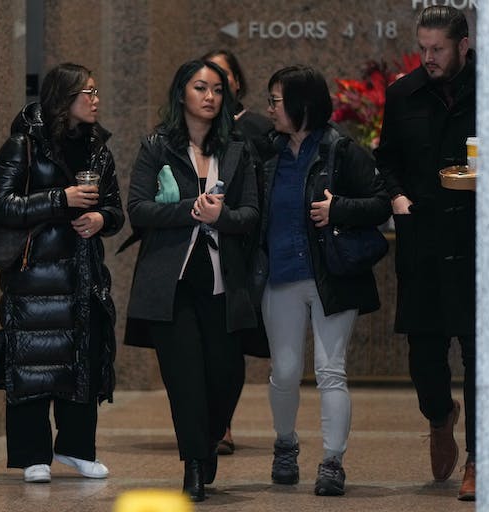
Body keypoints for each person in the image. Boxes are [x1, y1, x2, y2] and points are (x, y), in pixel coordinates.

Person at [124, 59, 259, 501]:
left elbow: (252, 215)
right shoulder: (157, 146)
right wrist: (189, 211)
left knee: (224, 375)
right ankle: (193, 466)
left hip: (223, 282)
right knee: (184, 379)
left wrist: (223, 217)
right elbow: (139, 209)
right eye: (200, 88)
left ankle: (207, 442)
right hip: (171, 284)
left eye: (217, 90)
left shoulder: (237, 149)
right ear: (181, 92)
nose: (209, 97)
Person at [0, 63, 124, 484]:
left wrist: (101, 219)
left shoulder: (99, 148)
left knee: (83, 358)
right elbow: (0, 205)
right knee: (31, 361)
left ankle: (76, 449)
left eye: (97, 92)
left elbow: (116, 209)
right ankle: (32, 455)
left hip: (83, 274)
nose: (96, 100)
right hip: (34, 277)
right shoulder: (22, 144)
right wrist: (58, 199)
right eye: (88, 93)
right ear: (64, 99)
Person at [257, 65, 390, 497]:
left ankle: (332, 462)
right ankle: (285, 444)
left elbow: (380, 203)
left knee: (331, 370)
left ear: (301, 105)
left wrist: (339, 210)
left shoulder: (341, 150)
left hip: (331, 276)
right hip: (280, 277)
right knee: (285, 371)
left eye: (276, 100)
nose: (270, 109)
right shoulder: (266, 152)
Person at [374, 5, 476, 501]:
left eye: (438, 50)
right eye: (423, 49)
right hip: (423, 243)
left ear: (463, 45)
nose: (429, 58)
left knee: (480, 356)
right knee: (425, 359)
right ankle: (440, 417)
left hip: (479, 242)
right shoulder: (403, 93)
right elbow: (385, 159)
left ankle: (479, 459)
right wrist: (396, 197)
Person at [201, 48, 276, 457]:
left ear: (236, 82)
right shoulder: (188, 133)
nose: (213, 88)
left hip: (244, 246)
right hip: (199, 249)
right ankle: (210, 422)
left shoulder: (259, 129)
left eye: (221, 77)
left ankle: (222, 420)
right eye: (203, 81)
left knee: (231, 341)